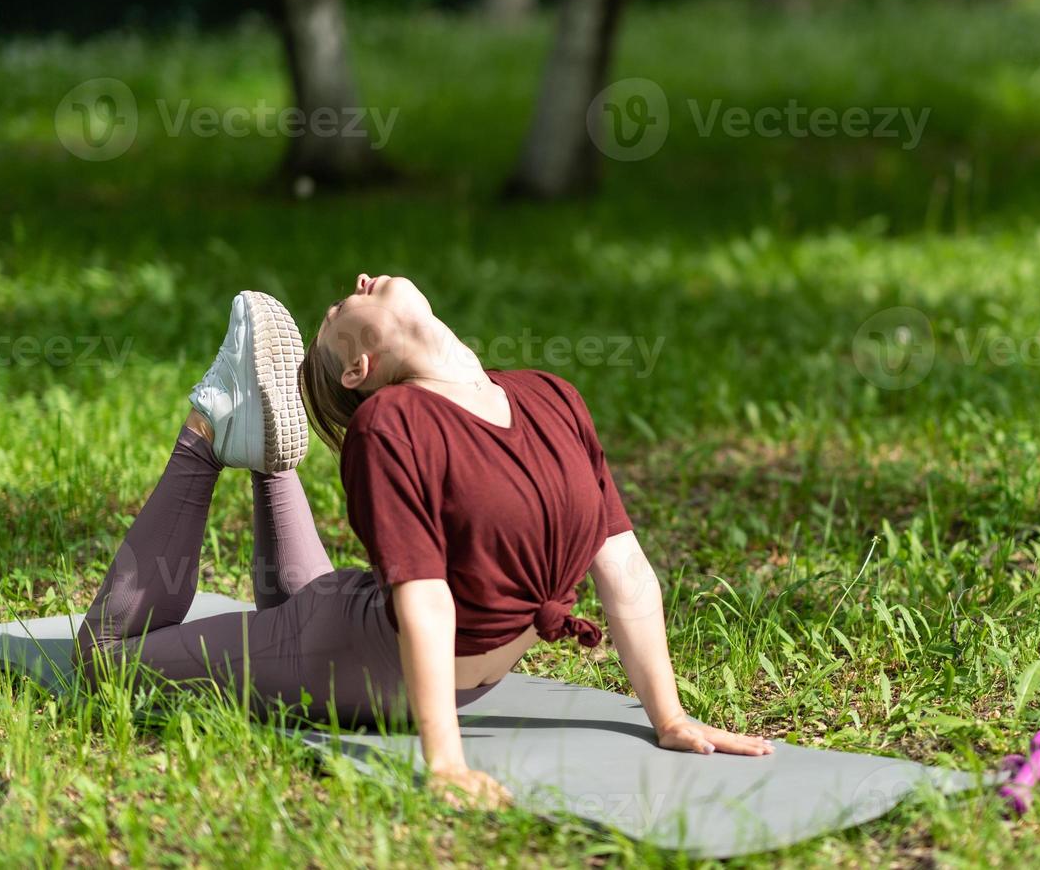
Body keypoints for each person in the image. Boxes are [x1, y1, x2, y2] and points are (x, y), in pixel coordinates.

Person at [74, 282, 773, 810]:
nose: (361, 278)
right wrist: (445, 761)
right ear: (360, 369)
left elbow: (624, 566)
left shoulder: (552, 397)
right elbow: (426, 598)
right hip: (363, 652)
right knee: (104, 660)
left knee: (306, 612)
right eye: (334, 313)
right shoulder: (389, 423)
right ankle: (208, 427)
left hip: (382, 656)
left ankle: (261, 449)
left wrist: (672, 718)